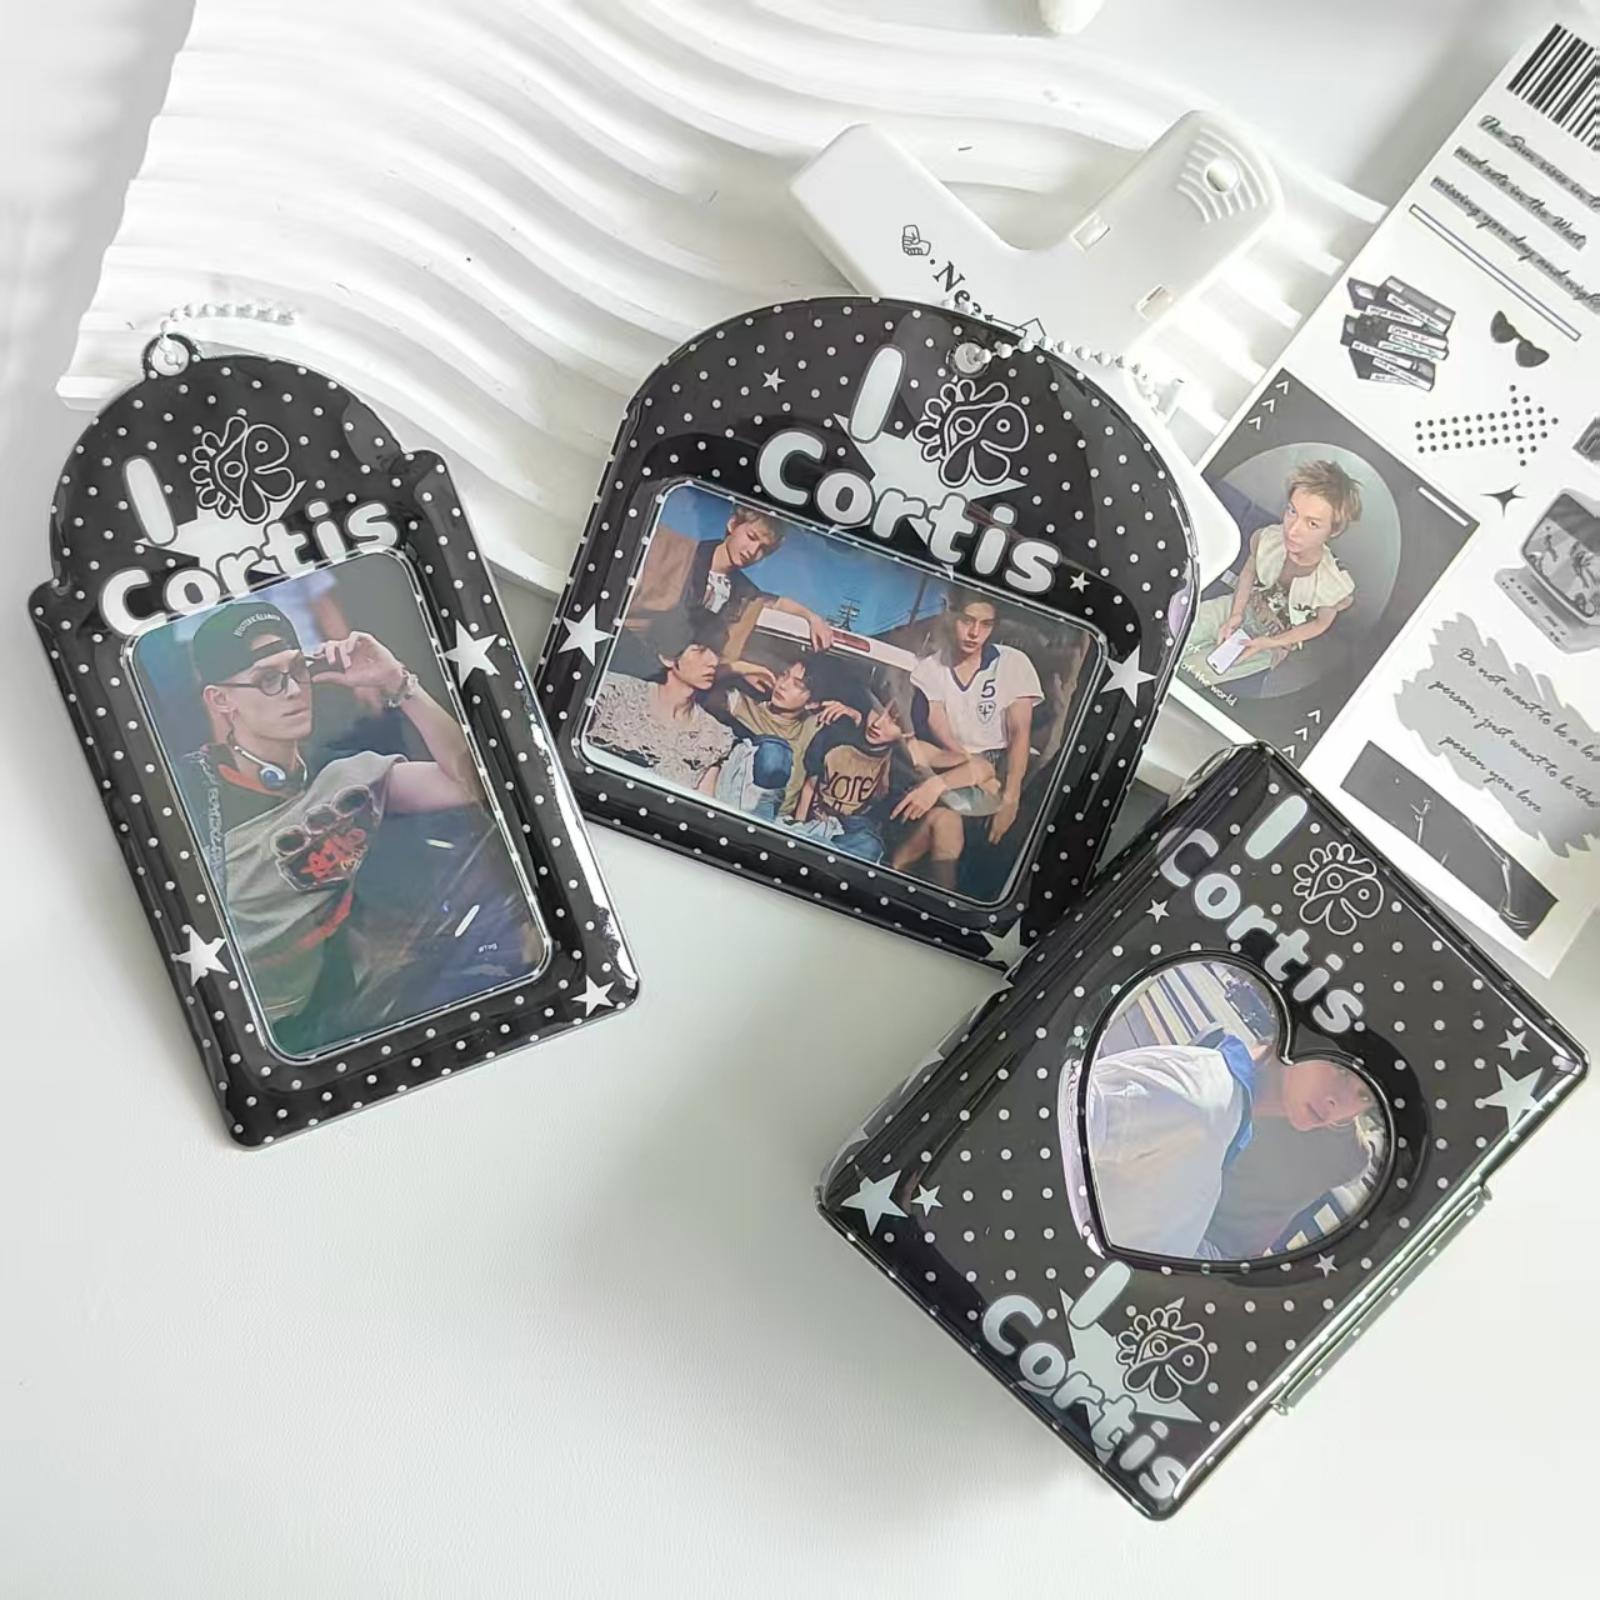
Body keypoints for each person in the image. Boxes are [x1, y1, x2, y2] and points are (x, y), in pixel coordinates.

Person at [174, 599, 524, 1054]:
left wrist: (397, 682)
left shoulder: (345, 776)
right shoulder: (187, 791)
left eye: (297, 670)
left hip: (317, 1014)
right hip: (215, 1019)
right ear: (221, 700)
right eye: (268, 679)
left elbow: (474, 782)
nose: (294, 691)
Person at [1063, 1033, 1377, 1261]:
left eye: (1363, 1096)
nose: (1339, 1102)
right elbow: (1055, 1125)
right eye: (1340, 1069)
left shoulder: (1226, 1115)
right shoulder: (1197, 1099)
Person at [900, 590, 1043, 889]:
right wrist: (974, 770)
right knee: (942, 822)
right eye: (967, 621)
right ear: (951, 616)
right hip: (955, 759)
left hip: (1007, 764)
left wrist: (1010, 797)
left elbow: (1020, 732)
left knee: (1005, 847)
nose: (975, 633)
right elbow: (938, 724)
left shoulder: (1013, 663)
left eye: (985, 624)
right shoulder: (930, 668)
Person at [1183, 459, 1362, 687]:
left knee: (1198, 674)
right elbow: (1248, 571)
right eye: (1292, 511)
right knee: (1177, 628)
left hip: (1275, 639)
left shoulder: (1332, 584)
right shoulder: (1269, 538)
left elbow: (1320, 624)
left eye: (1312, 524)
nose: (1293, 530)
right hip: (1242, 606)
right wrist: (1236, 613)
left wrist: (1269, 643)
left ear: (1333, 530)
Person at [613, 498, 835, 675]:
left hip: (678, 674)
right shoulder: (676, 550)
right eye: (751, 537)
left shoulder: (742, 591)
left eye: (763, 549)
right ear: (733, 525)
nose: (753, 551)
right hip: (629, 651)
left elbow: (776, 603)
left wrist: (812, 618)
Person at [787, 691, 1001, 868]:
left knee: (869, 845)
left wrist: (935, 786)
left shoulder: (910, 750)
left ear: (907, 731)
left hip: (861, 842)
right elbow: (811, 785)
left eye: (894, 721)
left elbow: (982, 767)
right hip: (814, 830)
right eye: (878, 711)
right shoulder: (846, 726)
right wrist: (798, 825)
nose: (878, 723)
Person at [586, 611, 733, 794]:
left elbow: (702, 800)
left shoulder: (714, 737)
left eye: (716, 652)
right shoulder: (612, 695)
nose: (713, 661)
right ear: (668, 657)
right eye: (699, 650)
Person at [707, 653, 858, 821]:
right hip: (730, 804)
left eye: (797, 685)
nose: (783, 685)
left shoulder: (812, 726)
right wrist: (742, 668)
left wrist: (853, 715)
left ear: (812, 702)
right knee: (773, 751)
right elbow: (700, 682)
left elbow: (862, 744)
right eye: (784, 675)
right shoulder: (742, 705)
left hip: (778, 820)